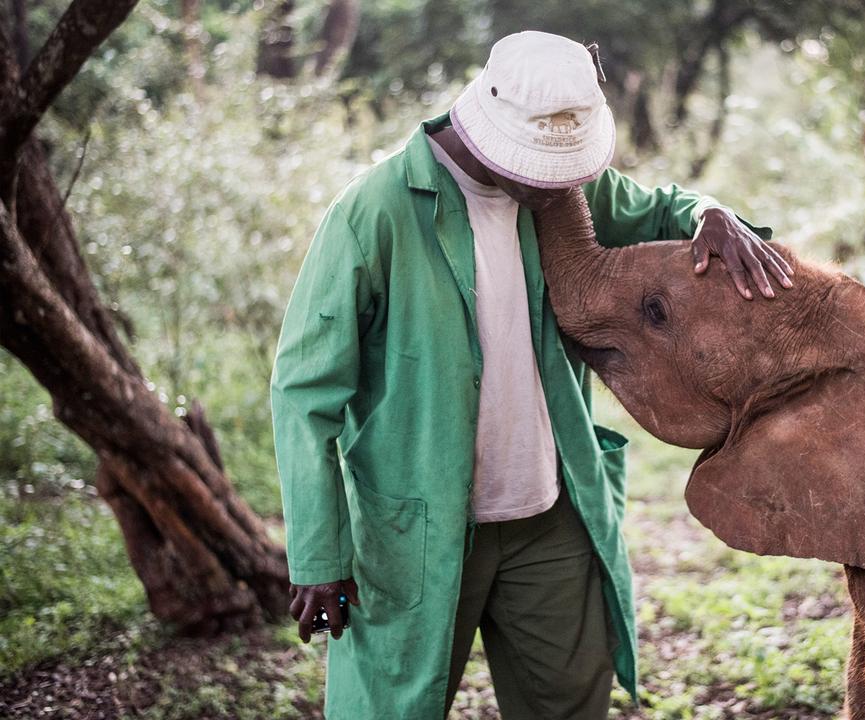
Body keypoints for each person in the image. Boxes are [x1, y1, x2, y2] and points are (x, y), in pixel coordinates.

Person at [270, 30, 791, 719]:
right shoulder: (375, 213)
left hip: (551, 516)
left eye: (568, 169)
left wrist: (712, 214)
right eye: (543, 167)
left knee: (570, 702)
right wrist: (316, 553)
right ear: (488, 131)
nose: (563, 184)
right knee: (387, 707)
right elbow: (303, 393)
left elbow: (666, 208)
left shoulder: (560, 193)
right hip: (415, 532)